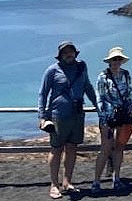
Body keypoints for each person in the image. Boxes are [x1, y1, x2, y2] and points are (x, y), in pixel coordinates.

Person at [38, 41, 97, 199]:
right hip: (58, 116)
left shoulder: (81, 66)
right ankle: (54, 185)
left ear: (75, 53)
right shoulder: (52, 70)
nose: (68, 54)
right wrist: (42, 117)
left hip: (77, 115)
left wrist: (97, 105)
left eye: (71, 51)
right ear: (60, 55)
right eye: (65, 52)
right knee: (56, 149)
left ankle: (67, 182)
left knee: (72, 148)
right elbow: (43, 94)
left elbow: (87, 86)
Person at [92, 47, 132, 194]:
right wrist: (104, 118)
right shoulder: (103, 77)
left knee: (119, 147)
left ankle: (116, 179)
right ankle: (96, 181)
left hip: (123, 116)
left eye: (118, 59)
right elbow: (100, 98)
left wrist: (131, 108)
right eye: (114, 59)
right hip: (108, 117)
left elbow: (129, 93)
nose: (116, 62)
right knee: (105, 149)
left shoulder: (126, 74)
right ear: (109, 61)